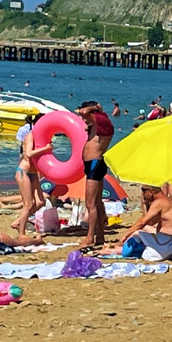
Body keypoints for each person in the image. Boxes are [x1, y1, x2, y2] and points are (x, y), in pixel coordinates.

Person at [103, 183, 172, 260]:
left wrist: (125, 235)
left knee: (137, 232)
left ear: (152, 191)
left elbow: (142, 222)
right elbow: (150, 222)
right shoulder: (167, 201)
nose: (143, 194)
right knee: (142, 230)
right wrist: (146, 205)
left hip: (170, 239)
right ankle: (117, 247)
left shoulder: (160, 202)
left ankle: (116, 248)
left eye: (144, 190)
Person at [76, 101, 115, 247]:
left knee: (90, 203)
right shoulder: (95, 125)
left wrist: (95, 108)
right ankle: (100, 236)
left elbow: (82, 112)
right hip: (92, 164)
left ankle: (89, 238)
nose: (83, 118)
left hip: (95, 164)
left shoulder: (102, 121)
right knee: (96, 203)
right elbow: (82, 113)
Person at [14, 114, 52, 237]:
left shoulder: (43, 138)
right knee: (28, 204)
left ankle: (18, 222)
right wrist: (46, 148)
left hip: (33, 173)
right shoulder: (30, 135)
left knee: (40, 201)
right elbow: (29, 154)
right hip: (23, 172)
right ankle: (21, 233)